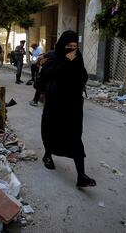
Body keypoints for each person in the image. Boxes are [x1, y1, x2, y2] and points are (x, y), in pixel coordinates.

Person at [39, 30, 96, 188]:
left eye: (74, 46)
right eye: (68, 46)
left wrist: (77, 71)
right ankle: (47, 155)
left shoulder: (78, 58)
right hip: (55, 104)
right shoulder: (55, 57)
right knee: (51, 130)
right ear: (62, 44)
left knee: (75, 136)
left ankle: (81, 176)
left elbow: (83, 76)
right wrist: (65, 61)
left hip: (74, 104)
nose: (72, 49)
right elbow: (46, 75)